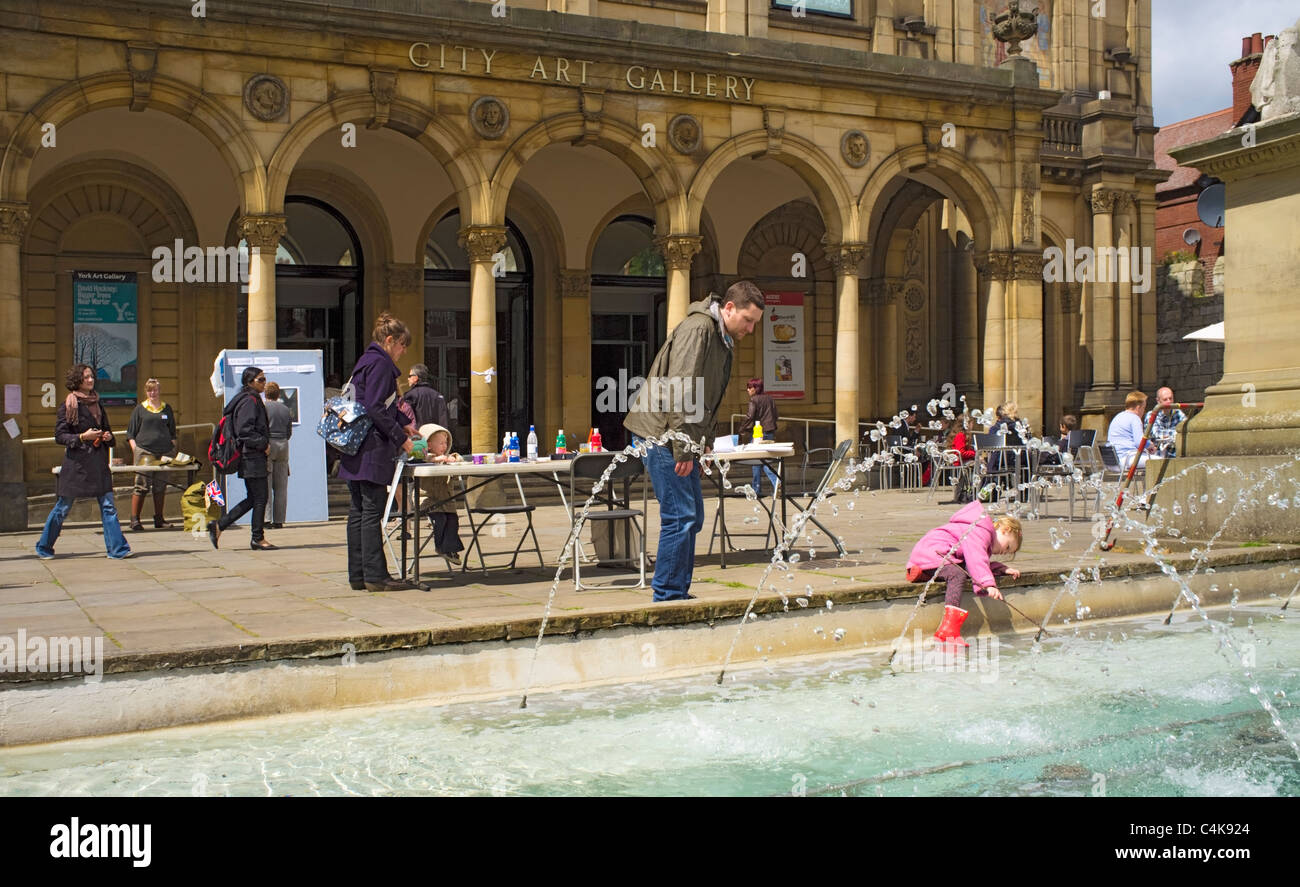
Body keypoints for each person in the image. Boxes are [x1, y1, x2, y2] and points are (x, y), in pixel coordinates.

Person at [624, 280, 766, 602]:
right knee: (680, 516)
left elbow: (707, 398)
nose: (751, 329)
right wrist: (684, 447)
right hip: (660, 433)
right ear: (729, 308)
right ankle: (668, 596)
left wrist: (703, 444)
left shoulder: (720, 336)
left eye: (755, 322)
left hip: (677, 435)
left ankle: (676, 591)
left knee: (693, 516)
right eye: (748, 320)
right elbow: (681, 388)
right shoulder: (699, 328)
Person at [339, 312, 417, 592]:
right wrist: (400, 438)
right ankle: (376, 576)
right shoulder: (381, 364)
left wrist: (403, 425)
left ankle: (358, 575)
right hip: (370, 447)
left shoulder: (365, 362)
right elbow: (374, 407)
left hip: (354, 446)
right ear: (389, 340)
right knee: (372, 510)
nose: (403, 351)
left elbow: (375, 404)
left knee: (358, 510)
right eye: (402, 345)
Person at [35, 364, 132, 560]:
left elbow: (109, 433)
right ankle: (44, 547)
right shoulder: (69, 405)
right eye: (86, 377)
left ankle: (117, 550)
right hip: (77, 466)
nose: (91, 380)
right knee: (62, 508)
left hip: (98, 464)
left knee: (108, 507)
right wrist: (82, 437)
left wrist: (107, 437)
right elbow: (60, 436)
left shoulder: (98, 403)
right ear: (77, 380)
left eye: (91, 376)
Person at [904, 503, 1022, 646]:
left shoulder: (979, 529)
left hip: (932, 555)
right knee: (957, 575)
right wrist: (988, 584)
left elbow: (974, 564)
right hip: (934, 553)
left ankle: (923, 573)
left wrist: (1001, 568)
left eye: (1007, 553)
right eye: (1007, 547)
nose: (1003, 552)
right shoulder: (981, 531)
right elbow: (977, 559)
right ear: (1005, 530)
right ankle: (948, 630)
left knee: (963, 570)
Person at [208, 367, 275, 551]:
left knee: (254, 498)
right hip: (252, 456)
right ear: (250, 382)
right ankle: (257, 538)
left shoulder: (249, 399)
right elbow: (245, 430)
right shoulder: (249, 401)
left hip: (251, 455)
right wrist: (263, 444)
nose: (264, 382)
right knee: (260, 497)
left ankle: (219, 525)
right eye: (260, 379)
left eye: (264, 379)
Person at [125, 377, 178, 531]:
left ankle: (159, 519)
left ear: (159, 391)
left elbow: (172, 431)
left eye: (155, 389)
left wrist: (172, 448)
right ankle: (135, 519)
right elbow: (130, 433)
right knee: (141, 484)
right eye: (149, 390)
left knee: (160, 486)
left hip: (165, 452)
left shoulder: (166, 408)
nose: (152, 393)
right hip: (145, 451)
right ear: (146, 392)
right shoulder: (139, 409)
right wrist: (135, 448)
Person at [418, 423, 464, 564]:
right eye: (441, 443)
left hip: (447, 499)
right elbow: (423, 457)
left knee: (453, 520)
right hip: (428, 499)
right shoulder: (424, 457)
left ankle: (449, 549)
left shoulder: (447, 458)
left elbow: (459, 462)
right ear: (429, 445)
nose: (444, 446)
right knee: (441, 519)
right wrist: (435, 459)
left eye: (446, 443)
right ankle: (441, 547)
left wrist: (455, 459)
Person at [741, 377, 780, 497]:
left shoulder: (754, 400)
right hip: (770, 431)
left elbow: (749, 416)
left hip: (759, 433)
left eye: (750, 387)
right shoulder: (770, 398)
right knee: (763, 460)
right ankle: (762, 487)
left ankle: (759, 488)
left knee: (757, 461)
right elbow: (776, 414)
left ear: (756, 388)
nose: (747, 390)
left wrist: (742, 429)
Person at [263, 381, 293, 529]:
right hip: (283, 444)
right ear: (278, 394)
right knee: (281, 486)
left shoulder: (263, 407)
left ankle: (267, 519)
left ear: (265, 393)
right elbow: (289, 433)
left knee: (267, 484)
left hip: (268, 444)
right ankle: (279, 520)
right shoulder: (285, 409)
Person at [1107, 390, 1155, 471]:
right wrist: (1151, 445)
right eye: (1144, 408)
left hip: (1112, 462)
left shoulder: (1118, 417)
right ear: (1138, 407)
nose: (1144, 411)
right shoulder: (1135, 418)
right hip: (1127, 459)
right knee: (1162, 461)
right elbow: (1139, 442)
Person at [403, 364, 450, 438]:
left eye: (410, 376)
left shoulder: (410, 396)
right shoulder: (438, 396)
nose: (408, 379)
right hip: (436, 438)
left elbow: (406, 419)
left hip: (417, 439)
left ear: (415, 378)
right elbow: (444, 419)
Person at [1145, 387, 1186, 457]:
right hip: (1157, 453)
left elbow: (1186, 428)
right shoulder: (1152, 415)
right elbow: (1157, 433)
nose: (1169, 401)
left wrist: (1168, 436)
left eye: (1171, 398)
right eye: (1165, 399)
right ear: (1158, 401)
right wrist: (1177, 434)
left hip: (1176, 452)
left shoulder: (1178, 413)